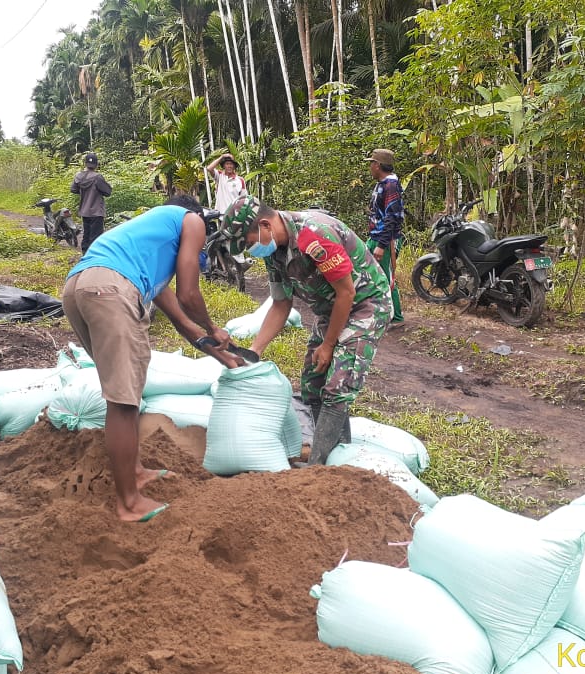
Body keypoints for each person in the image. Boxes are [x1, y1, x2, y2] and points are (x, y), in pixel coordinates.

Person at [62, 196, 243, 522]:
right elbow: (189, 294)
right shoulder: (192, 220)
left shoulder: (145, 247)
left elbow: (180, 317)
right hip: (110, 290)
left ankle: (134, 471)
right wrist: (214, 326)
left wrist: (217, 352)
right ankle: (129, 503)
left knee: (125, 389)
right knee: (123, 401)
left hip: (80, 287)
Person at [219, 194, 392, 465]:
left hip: (365, 303)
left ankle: (318, 468)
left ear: (265, 225)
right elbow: (280, 304)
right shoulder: (274, 251)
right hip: (332, 309)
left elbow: (347, 293)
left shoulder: (314, 235)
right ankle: (338, 451)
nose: (252, 249)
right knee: (313, 383)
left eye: (251, 243)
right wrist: (254, 351)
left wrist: (329, 344)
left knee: (338, 385)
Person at [365, 148, 405, 326]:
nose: (370, 167)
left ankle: (396, 317)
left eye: (371, 163)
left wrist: (381, 245)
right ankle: (376, 311)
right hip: (375, 236)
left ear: (378, 165)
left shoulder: (390, 186)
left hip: (386, 240)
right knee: (370, 274)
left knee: (385, 278)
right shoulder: (382, 184)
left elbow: (392, 217)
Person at [71, 152, 112, 253]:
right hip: (96, 211)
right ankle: (94, 257)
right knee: (96, 236)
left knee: (87, 234)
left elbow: (73, 189)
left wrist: (83, 192)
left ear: (85, 163)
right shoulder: (97, 177)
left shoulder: (79, 176)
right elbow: (108, 192)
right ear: (96, 164)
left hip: (84, 211)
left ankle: (85, 254)